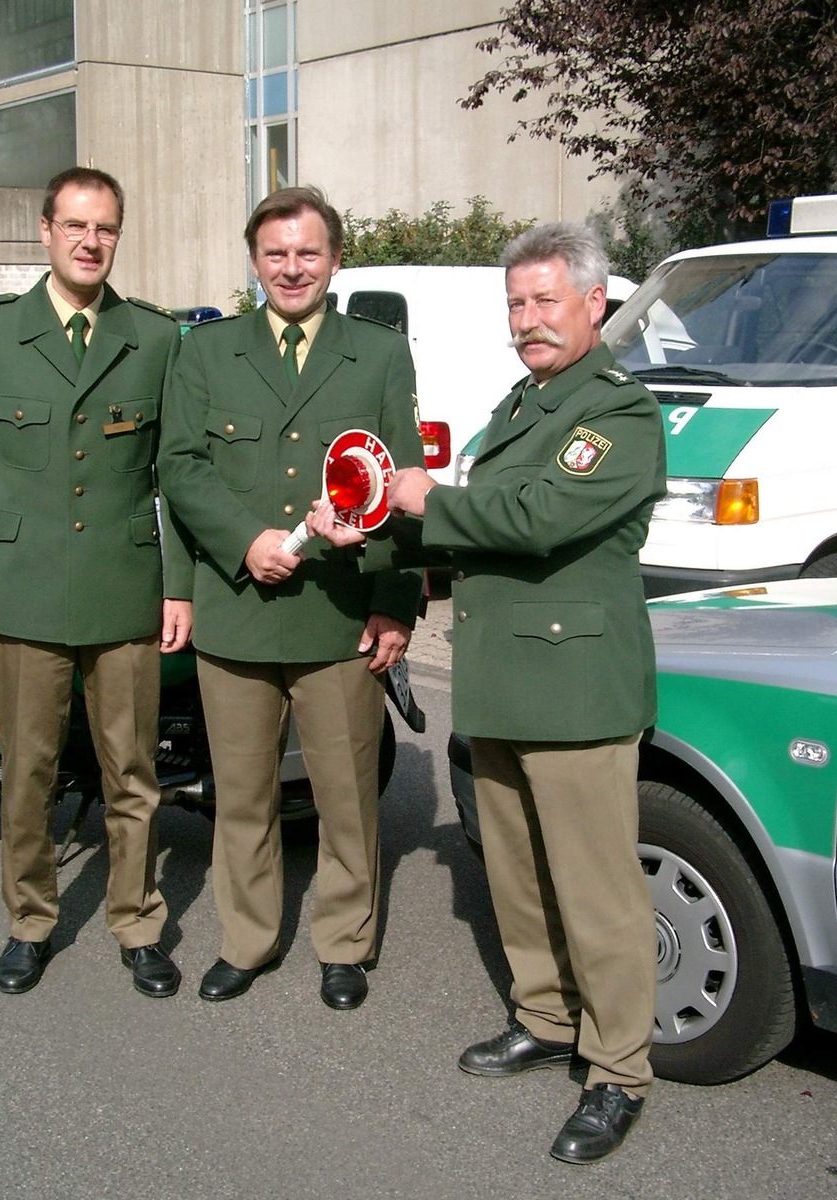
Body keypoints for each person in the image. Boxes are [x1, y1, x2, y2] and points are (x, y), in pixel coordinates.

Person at [308, 222, 664, 1161]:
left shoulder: (616, 414)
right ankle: (546, 1018)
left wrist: (419, 497)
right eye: (516, 304)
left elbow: (536, 518)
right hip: (503, 681)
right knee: (514, 875)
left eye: (546, 301)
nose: (527, 321)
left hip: (579, 692)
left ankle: (618, 1069)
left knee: (596, 892)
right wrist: (365, 524)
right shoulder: (521, 404)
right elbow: (471, 532)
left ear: (594, 304)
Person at [0, 166, 194, 998]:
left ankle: (136, 922)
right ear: (46, 232)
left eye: (105, 228)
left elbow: (172, 475)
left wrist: (178, 586)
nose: (90, 241)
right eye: (75, 226)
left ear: (118, 235)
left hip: (123, 590)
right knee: (29, 773)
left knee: (132, 774)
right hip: (22, 589)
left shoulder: (152, 338)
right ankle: (30, 921)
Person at [159, 185, 423, 1010]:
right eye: (275, 254)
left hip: (339, 616)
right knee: (240, 795)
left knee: (345, 793)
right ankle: (247, 939)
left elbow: (403, 483)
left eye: (308, 252)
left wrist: (395, 601)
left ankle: (343, 942)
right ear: (254, 262)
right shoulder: (206, 352)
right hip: (239, 610)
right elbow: (183, 468)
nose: (292, 267)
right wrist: (247, 541)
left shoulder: (378, 355)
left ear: (334, 260)